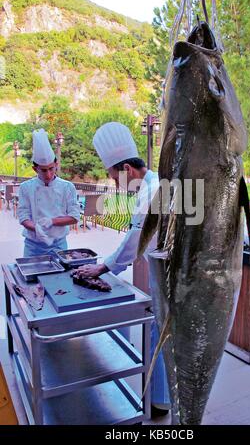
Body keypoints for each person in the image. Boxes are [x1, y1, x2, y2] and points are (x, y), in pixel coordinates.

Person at [76, 122, 170, 417]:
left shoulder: (154, 189)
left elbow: (136, 238)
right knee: (159, 332)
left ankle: (160, 403)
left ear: (127, 169)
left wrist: (103, 267)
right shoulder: (151, 186)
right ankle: (159, 399)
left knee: (161, 334)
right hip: (161, 272)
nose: (116, 186)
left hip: (168, 276)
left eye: (114, 178)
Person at [17, 129, 80, 257]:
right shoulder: (25, 188)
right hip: (33, 247)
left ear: (56, 164)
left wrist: (52, 221)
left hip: (59, 245)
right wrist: (36, 228)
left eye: (51, 169)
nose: (49, 174)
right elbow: (23, 216)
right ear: (35, 169)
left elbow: (74, 217)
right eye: (43, 170)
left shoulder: (67, 187)